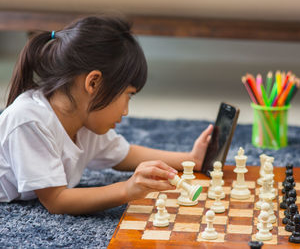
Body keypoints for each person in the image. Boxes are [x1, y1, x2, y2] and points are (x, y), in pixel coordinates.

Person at [0, 16, 213, 215]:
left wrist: (191, 159)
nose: (126, 111)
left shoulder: (83, 117)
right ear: (93, 83)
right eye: (128, 96)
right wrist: (126, 189)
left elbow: (124, 154)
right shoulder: (30, 120)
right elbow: (56, 200)